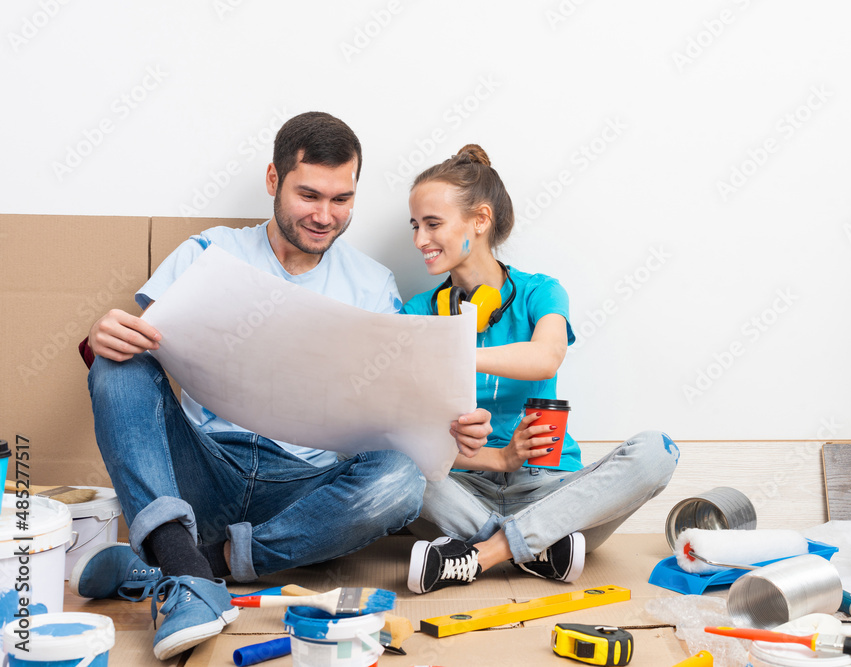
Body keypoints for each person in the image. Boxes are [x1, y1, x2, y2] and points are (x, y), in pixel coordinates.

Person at [71, 113, 492, 659]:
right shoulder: (208, 253)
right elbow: (130, 371)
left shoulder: (371, 284)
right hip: (204, 469)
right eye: (309, 195)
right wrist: (101, 338)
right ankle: (185, 561)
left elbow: (402, 412)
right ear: (273, 180)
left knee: (405, 475)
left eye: (342, 199)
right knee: (115, 366)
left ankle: (191, 566)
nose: (324, 216)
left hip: (303, 491)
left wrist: (451, 427)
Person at [401, 144, 680, 594]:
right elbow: (402, 429)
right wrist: (496, 458)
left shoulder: (540, 292)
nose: (419, 240)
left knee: (657, 451)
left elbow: (545, 356)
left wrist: (451, 351)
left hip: (550, 488)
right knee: (384, 458)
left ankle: (483, 554)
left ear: (480, 220)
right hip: (461, 490)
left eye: (433, 224)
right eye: (415, 226)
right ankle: (541, 550)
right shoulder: (416, 312)